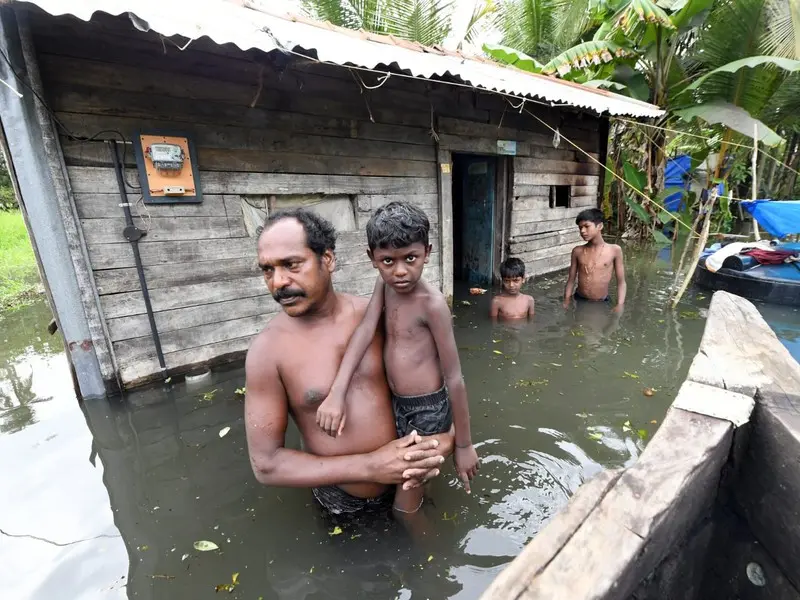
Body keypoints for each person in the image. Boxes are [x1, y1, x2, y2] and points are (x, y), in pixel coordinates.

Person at [244, 209, 453, 516]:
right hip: (344, 504)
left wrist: (450, 439)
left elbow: (441, 383)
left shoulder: (379, 315)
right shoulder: (267, 352)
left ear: (327, 259)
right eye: (267, 270)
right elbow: (266, 465)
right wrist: (371, 467)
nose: (278, 282)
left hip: (413, 481)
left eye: (291, 265)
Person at [315, 201, 479, 514]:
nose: (400, 270)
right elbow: (365, 330)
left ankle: (420, 546)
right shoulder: (384, 284)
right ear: (372, 259)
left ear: (427, 252)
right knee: (408, 475)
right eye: (388, 260)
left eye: (411, 258)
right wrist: (337, 392)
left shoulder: (432, 305)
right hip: (396, 401)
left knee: (407, 491)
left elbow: (455, 377)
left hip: (427, 408)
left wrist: (464, 445)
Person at [563, 208, 626, 313]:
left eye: (587, 226)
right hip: (579, 299)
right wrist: (566, 299)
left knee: (599, 327)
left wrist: (620, 305)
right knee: (577, 325)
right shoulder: (577, 251)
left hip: (601, 301)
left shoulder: (614, 250)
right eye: (580, 228)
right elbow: (571, 280)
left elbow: (621, 282)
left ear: (600, 226)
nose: (582, 231)